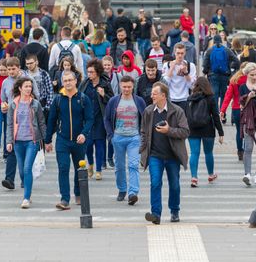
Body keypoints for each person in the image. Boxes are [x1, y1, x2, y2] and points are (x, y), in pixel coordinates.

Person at [141, 82, 190, 224]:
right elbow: (143, 131)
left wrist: (169, 130)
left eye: (154, 94)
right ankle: (156, 214)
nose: (152, 96)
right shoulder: (149, 111)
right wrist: (143, 150)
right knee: (155, 183)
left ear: (163, 95)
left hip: (172, 155)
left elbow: (185, 131)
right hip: (155, 155)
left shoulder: (177, 111)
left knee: (174, 184)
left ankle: (175, 210)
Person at [45, 71, 94, 209]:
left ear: (75, 81)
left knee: (79, 168)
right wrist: (48, 140)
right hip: (63, 140)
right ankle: (64, 199)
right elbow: (52, 120)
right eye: (65, 80)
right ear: (62, 82)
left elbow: (90, 119)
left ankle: (78, 194)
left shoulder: (83, 98)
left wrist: (84, 133)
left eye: (70, 80)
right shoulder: (58, 99)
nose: (67, 83)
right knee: (63, 167)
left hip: (79, 141)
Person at [104, 75, 146, 204]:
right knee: (119, 166)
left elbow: (145, 118)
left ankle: (133, 192)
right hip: (118, 137)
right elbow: (106, 118)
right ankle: (122, 189)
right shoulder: (113, 101)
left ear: (133, 86)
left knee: (133, 165)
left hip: (134, 137)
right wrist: (111, 135)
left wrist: (142, 135)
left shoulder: (139, 101)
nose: (126, 89)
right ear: (120, 87)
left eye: (129, 87)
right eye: (124, 87)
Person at [0, 57, 40, 190]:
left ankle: (25, 177)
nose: (10, 71)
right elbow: (3, 99)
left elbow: (37, 96)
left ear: (18, 67)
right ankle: (9, 179)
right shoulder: (5, 82)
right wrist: (4, 105)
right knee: (10, 147)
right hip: (12, 118)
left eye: (13, 69)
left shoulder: (28, 79)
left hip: (27, 118)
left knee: (24, 155)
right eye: (8, 69)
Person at [7, 78, 46, 209]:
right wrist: (9, 141)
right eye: (26, 86)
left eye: (30, 86)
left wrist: (45, 140)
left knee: (27, 168)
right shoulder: (13, 104)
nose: (29, 89)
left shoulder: (35, 104)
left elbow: (41, 122)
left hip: (32, 140)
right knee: (22, 171)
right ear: (20, 88)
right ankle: (26, 186)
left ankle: (26, 197)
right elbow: (10, 124)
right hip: (18, 141)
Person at [79, 59, 114, 180]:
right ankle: (90, 165)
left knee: (99, 144)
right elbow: (79, 97)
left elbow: (112, 100)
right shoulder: (84, 84)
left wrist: (104, 94)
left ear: (97, 72)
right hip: (87, 120)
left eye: (92, 72)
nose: (89, 74)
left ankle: (98, 170)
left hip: (100, 119)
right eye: (88, 72)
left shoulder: (105, 84)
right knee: (88, 144)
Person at [187, 77, 224, 187]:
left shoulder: (190, 98)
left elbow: (186, 115)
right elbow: (216, 116)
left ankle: (194, 177)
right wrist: (221, 132)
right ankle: (211, 175)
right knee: (208, 153)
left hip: (192, 129)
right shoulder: (211, 98)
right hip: (207, 129)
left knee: (194, 153)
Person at [239, 62, 256, 186]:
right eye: (252, 75)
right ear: (247, 74)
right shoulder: (243, 87)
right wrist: (249, 96)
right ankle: (247, 174)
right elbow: (242, 104)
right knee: (248, 147)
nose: (255, 77)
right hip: (248, 120)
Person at [203, 35, 240, 113]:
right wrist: (229, 66)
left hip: (212, 75)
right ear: (221, 41)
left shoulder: (209, 50)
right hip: (224, 75)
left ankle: (215, 114)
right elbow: (236, 60)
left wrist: (206, 72)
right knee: (224, 95)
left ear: (213, 41)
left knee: (214, 94)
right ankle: (222, 114)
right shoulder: (227, 50)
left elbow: (205, 64)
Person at [220, 62, 247, 161]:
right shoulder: (250, 80)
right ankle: (246, 150)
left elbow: (227, 97)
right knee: (247, 131)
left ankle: (240, 151)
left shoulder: (234, 80)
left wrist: (223, 110)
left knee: (239, 131)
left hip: (236, 109)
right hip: (248, 109)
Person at [162, 43, 197, 112]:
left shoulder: (191, 66)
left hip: (184, 99)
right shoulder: (167, 65)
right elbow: (164, 84)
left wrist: (186, 73)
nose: (180, 56)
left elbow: (192, 86)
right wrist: (171, 69)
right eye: (178, 53)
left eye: (182, 53)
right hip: (171, 99)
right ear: (174, 53)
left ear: (185, 53)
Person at [24, 54, 54, 120]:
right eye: (27, 64)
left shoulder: (44, 74)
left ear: (36, 62)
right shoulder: (24, 75)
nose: (29, 65)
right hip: (27, 106)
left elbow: (50, 91)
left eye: (31, 63)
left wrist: (47, 107)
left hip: (42, 105)